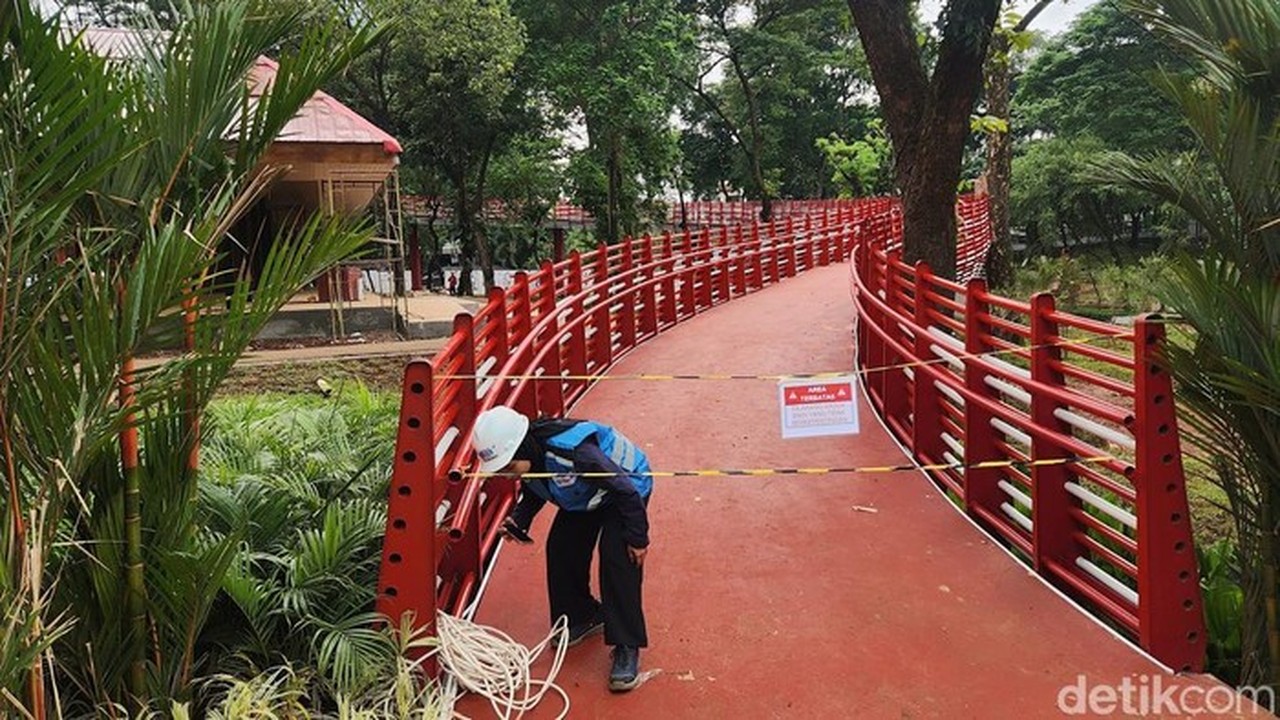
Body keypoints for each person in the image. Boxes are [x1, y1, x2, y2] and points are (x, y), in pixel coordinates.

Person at [471, 406, 653, 692]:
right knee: (561, 548)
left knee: (618, 559)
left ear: (522, 448)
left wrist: (637, 538)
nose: (506, 476)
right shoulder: (533, 456)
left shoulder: (576, 453)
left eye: (508, 467)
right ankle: (582, 615)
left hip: (626, 491)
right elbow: (535, 488)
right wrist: (519, 519)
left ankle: (627, 646)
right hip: (587, 494)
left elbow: (625, 490)